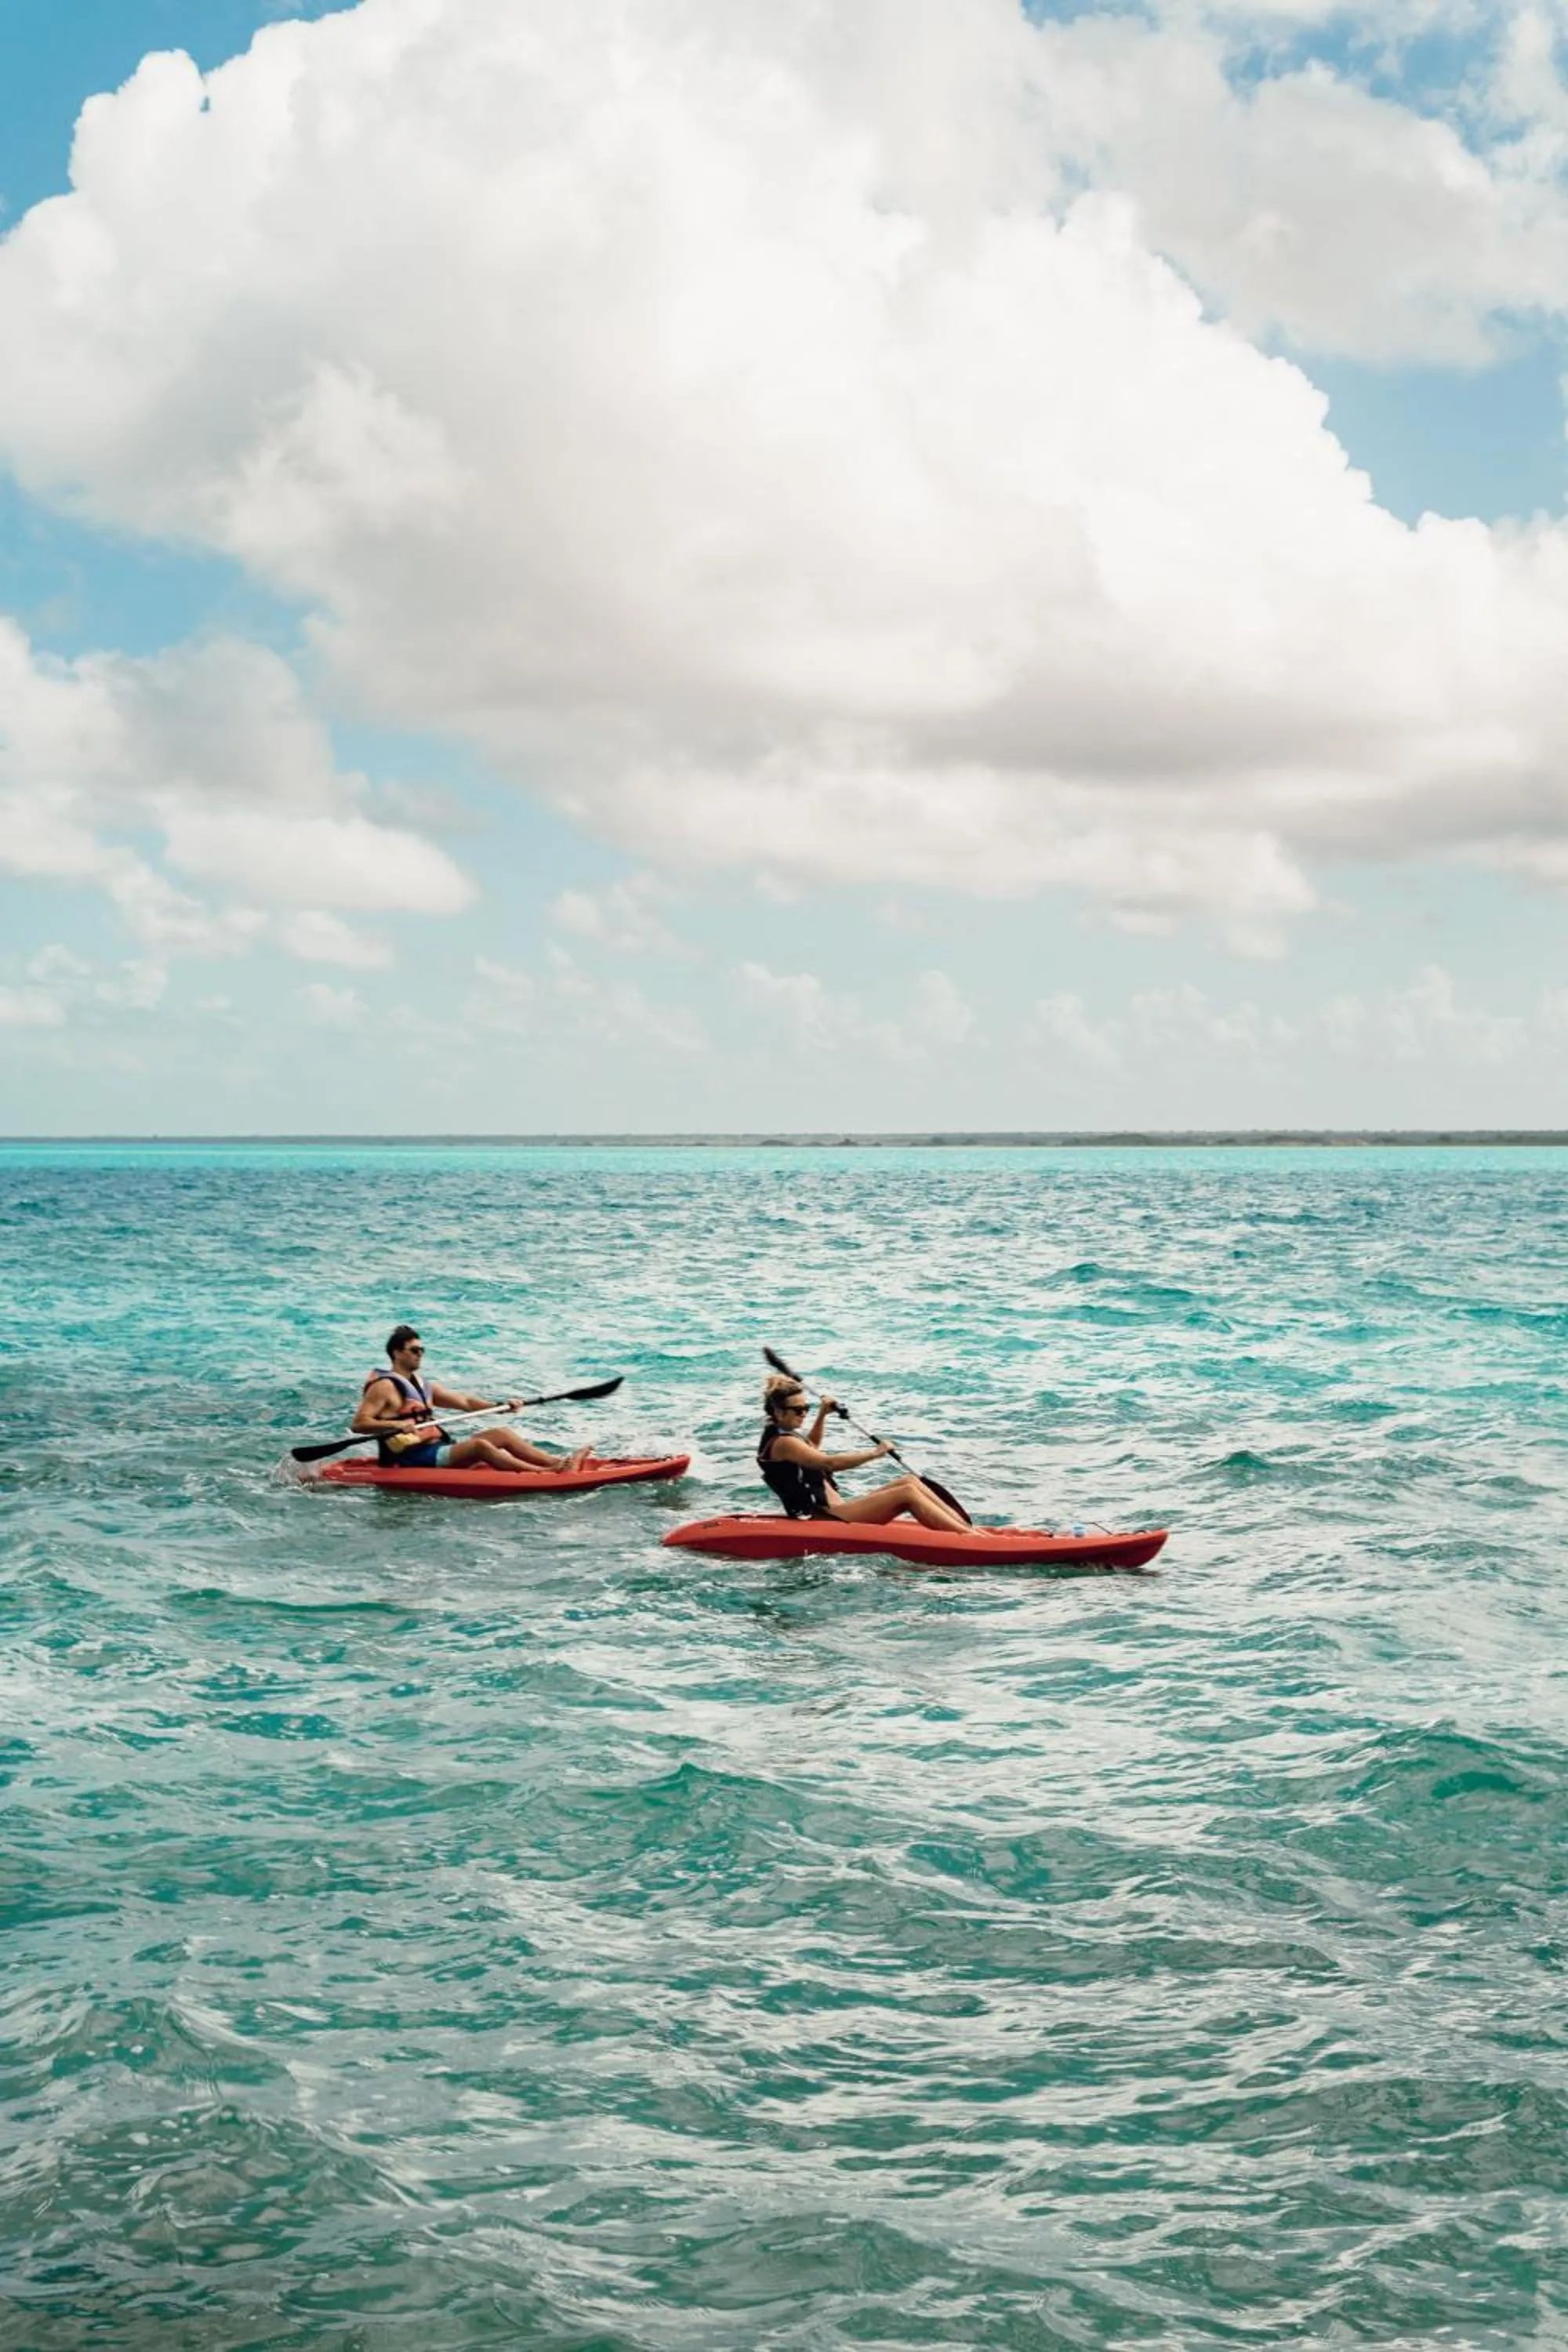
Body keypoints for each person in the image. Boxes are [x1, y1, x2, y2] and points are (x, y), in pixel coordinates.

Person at [354, 1325, 592, 1472]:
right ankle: (547, 1472)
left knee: (502, 1433)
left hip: (438, 1448)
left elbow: (465, 1402)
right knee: (479, 1446)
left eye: (422, 1350)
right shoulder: (383, 1386)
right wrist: (396, 1425)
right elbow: (360, 1424)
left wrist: (500, 1407)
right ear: (397, 1353)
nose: (420, 1355)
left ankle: (559, 1462)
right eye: (414, 1350)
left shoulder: (424, 1385)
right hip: (411, 1458)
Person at [756, 1371, 969, 1530]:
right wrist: (875, 1454)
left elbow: (810, 1447)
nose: (804, 1414)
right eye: (798, 1410)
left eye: (806, 1408)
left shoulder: (784, 1433)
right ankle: (969, 1539)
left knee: (910, 1481)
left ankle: (965, 1529)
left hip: (836, 1510)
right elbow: (829, 1463)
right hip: (824, 1518)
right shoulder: (783, 1442)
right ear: (777, 1411)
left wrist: (822, 1415)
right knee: (907, 1493)